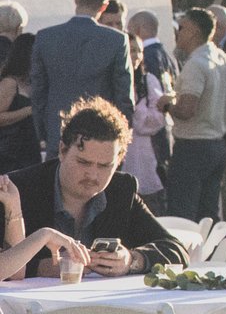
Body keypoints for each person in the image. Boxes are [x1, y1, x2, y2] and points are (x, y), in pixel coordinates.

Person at [0, 98, 182, 275]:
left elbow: (175, 249)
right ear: (62, 151)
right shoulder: (19, 189)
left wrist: (132, 260)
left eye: (104, 166)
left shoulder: (121, 190)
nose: (93, 175)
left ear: (118, 161)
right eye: (83, 162)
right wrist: (43, 267)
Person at [28, 0, 133, 157]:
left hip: (57, 129)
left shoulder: (46, 37)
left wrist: (42, 131)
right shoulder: (117, 40)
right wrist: (122, 135)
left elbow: (38, 90)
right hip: (101, 133)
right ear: (104, 6)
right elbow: (124, 95)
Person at [159, 8, 226, 225]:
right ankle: (209, 257)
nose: (178, 33)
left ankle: (185, 259)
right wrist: (216, 122)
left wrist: (167, 105)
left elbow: (186, 110)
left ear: (193, 31)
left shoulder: (195, 65)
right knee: (208, 214)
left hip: (192, 147)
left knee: (182, 215)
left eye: (181, 28)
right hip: (216, 144)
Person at [125, 34, 169, 209]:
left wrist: (137, 111)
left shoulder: (148, 81)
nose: (135, 55)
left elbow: (155, 120)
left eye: (139, 51)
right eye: (131, 50)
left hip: (145, 156)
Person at [0, 29, 38, 176]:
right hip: (9, 154)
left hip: (28, 150)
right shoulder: (9, 83)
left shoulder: (32, 83)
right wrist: (28, 111)